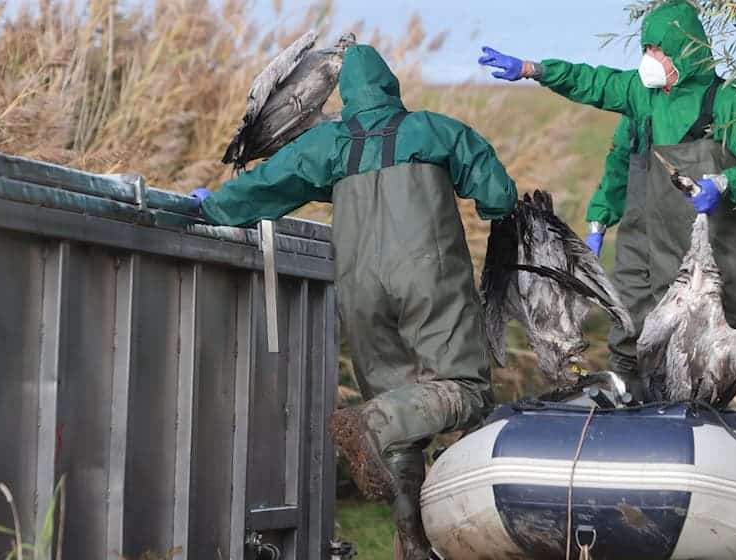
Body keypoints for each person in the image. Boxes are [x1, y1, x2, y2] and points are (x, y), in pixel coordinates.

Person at [192, 44, 517, 559]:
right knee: (463, 388)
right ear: (392, 88)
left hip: (361, 290)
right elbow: (498, 193)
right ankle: (370, 421)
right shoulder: (433, 129)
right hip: (428, 280)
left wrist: (210, 206)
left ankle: (413, 545)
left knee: (404, 426)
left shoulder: (330, 143)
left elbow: (266, 186)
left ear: (346, 97)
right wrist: (488, 202)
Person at [478, 0, 736, 406]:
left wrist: (726, 181)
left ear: (685, 50)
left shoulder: (730, 104)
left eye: (657, 50)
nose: (649, 59)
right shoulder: (642, 100)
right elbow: (595, 86)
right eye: (645, 49)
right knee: (645, 339)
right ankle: (646, 418)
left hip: (729, 252)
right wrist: (531, 69)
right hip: (659, 247)